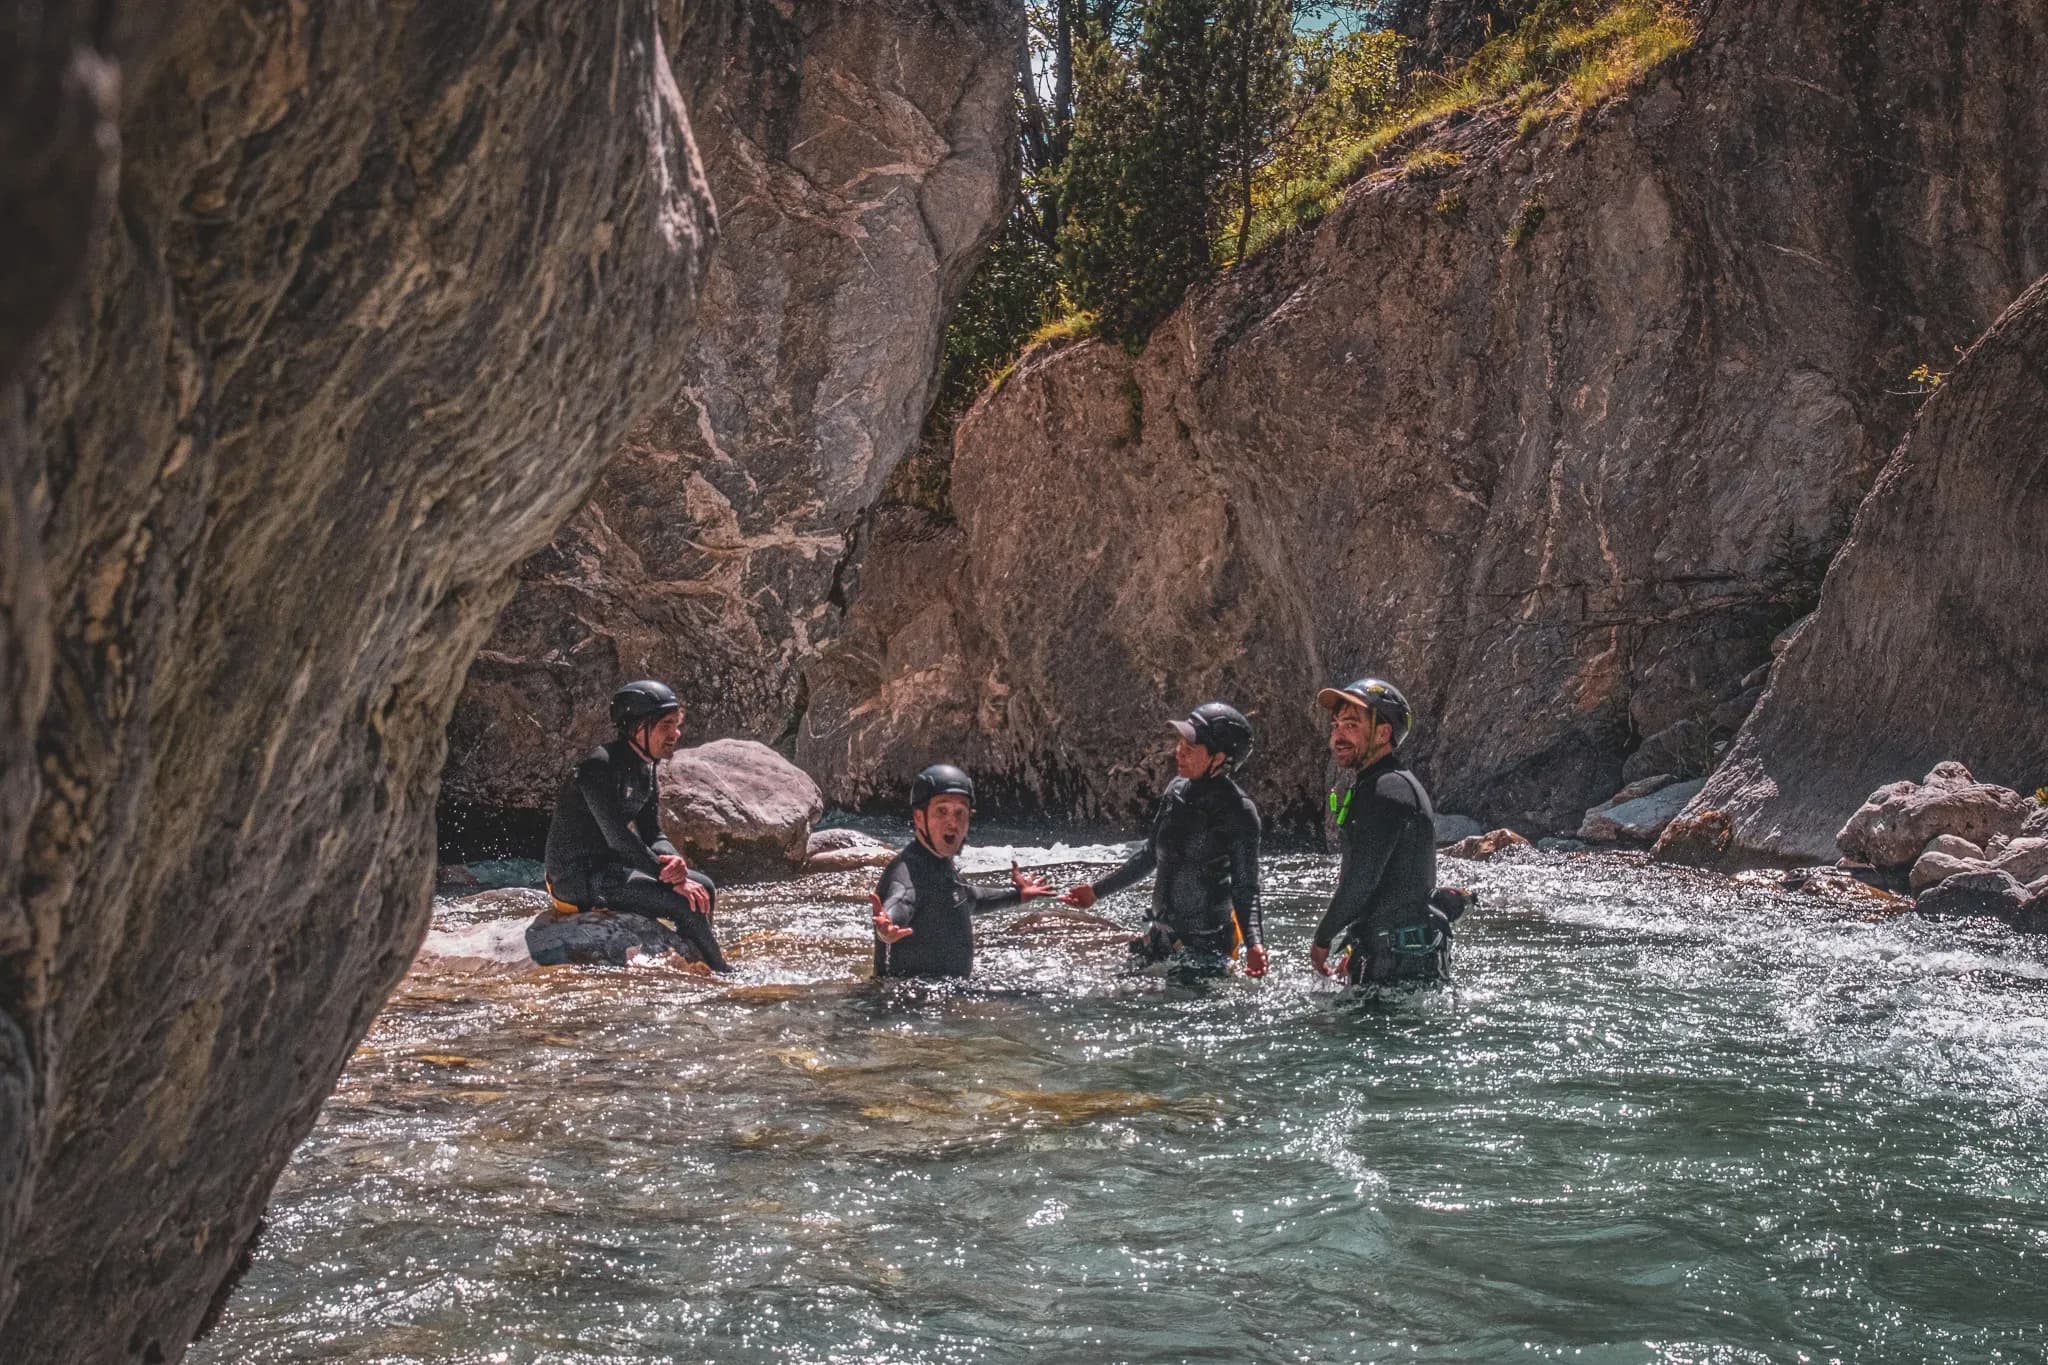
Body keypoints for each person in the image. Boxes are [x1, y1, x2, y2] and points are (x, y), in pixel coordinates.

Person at [539, 679, 732, 972]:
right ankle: (723, 974)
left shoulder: (646, 765)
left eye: (677, 725)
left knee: (705, 887)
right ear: (637, 726)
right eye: (666, 725)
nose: (676, 734)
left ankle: (696, 955)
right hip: (577, 880)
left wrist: (673, 860)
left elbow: (652, 832)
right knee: (684, 903)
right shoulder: (598, 766)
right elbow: (617, 838)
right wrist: (670, 878)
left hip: (611, 868)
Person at [1062, 703, 1267, 978]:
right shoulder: (1176, 790)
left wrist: (1255, 944)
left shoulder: (1239, 812)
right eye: (1181, 742)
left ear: (1218, 759)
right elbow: (1150, 855)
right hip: (1161, 936)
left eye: (1191, 747)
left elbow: (1246, 888)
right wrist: (1096, 892)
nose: (1179, 751)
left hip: (1207, 948)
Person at [1309, 677, 1450, 988]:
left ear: (1384, 732)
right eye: (1336, 725)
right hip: (1399, 956)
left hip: (1395, 964)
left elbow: (1362, 879)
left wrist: (1323, 940)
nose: (1338, 735)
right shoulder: (1385, 784)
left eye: (1351, 725)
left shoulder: (1387, 790)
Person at [869, 763, 1055, 979]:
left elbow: (971, 898)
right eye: (942, 811)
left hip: (945, 999)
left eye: (960, 812)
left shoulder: (941, 865)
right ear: (919, 817)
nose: (953, 822)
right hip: (908, 1004)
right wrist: (886, 928)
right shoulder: (906, 874)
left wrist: (1017, 895)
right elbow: (899, 905)